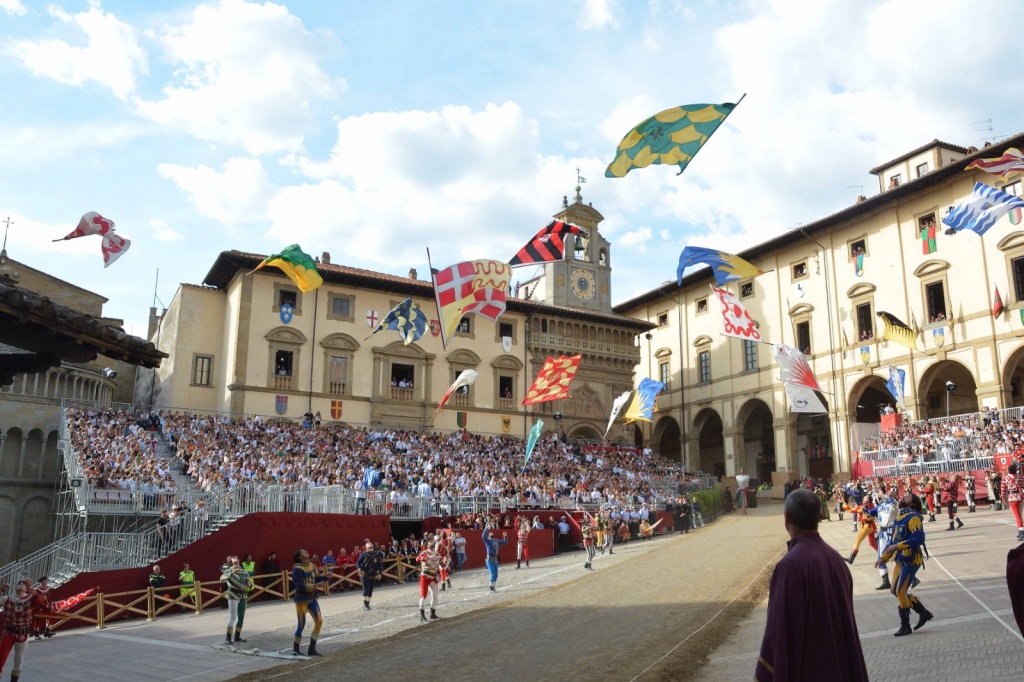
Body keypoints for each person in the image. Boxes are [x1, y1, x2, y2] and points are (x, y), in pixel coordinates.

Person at [755, 489, 868, 681]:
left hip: (810, 670)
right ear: (820, 516)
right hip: (840, 668)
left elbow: (779, 633)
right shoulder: (835, 558)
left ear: (786, 518)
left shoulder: (789, 566)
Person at [879, 494, 934, 636]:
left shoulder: (913, 517)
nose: (905, 496)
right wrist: (884, 557)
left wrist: (898, 546)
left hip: (911, 558)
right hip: (900, 558)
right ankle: (923, 612)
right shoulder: (900, 517)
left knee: (900, 591)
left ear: (912, 504)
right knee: (894, 590)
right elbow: (894, 541)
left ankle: (905, 626)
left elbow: (919, 538)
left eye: (908, 497)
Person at [291, 548, 328, 656]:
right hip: (301, 599)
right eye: (303, 552)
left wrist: (326, 577)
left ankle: (312, 648)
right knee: (301, 625)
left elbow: (317, 578)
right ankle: (295, 649)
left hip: (311, 597)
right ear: (299, 557)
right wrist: (316, 586)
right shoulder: (297, 569)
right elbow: (300, 586)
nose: (306, 552)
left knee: (319, 621)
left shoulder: (311, 565)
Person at [0, 580, 35, 682]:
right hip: (8, 633)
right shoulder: (7, 599)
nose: (20, 585)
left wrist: (35, 593)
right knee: (0, 659)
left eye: (23, 584)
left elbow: (41, 603)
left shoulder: (31, 599)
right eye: (18, 584)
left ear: (26, 588)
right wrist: (1, 590)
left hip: (23, 634)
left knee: (19, 660)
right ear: (15, 588)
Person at [221, 555, 251, 645]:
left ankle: (237, 636)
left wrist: (249, 583)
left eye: (237, 558)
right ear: (231, 562)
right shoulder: (228, 571)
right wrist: (232, 573)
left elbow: (247, 580)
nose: (236, 560)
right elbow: (221, 579)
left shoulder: (244, 571)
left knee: (241, 617)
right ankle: (228, 638)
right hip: (233, 594)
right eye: (234, 558)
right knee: (233, 617)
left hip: (243, 595)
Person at [416, 540, 442, 622]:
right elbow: (417, 559)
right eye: (430, 542)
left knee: (435, 595)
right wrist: (428, 557)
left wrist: (446, 559)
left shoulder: (438, 554)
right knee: (423, 595)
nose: (432, 543)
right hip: (425, 575)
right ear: (427, 545)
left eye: (432, 542)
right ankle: (422, 615)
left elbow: (440, 563)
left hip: (433, 576)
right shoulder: (424, 552)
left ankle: (432, 613)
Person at [356, 540, 385, 611]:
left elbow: (380, 564)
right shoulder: (364, 554)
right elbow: (358, 562)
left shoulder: (376, 554)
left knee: (371, 589)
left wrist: (380, 573)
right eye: (369, 548)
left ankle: (368, 603)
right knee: (366, 588)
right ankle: (365, 605)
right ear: (366, 548)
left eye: (372, 547)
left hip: (373, 574)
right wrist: (359, 570)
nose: (371, 549)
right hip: (364, 573)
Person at [1002, 461, 1024, 541]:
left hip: (1012, 497)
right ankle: (1020, 530)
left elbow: (1003, 489)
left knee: (1017, 515)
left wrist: (1004, 498)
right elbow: (1022, 486)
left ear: (1008, 470)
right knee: (1020, 514)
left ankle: (1021, 531)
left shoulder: (1005, 478)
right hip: (1020, 497)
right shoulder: (1019, 477)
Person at [482, 527, 508, 591]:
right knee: (493, 574)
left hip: (495, 559)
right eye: (490, 533)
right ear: (488, 536)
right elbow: (483, 536)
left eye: (491, 532)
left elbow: (505, 542)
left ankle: (493, 586)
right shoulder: (487, 541)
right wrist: (486, 529)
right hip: (489, 559)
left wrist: (505, 536)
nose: (491, 533)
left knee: (496, 575)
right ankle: (491, 586)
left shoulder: (497, 541)